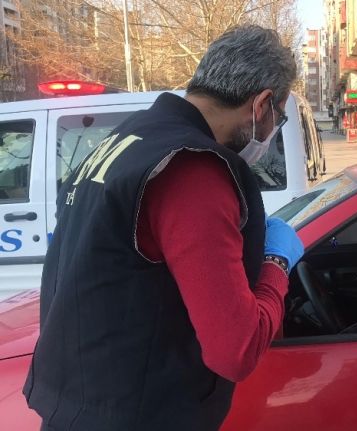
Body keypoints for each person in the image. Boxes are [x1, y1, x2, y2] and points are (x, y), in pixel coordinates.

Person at [24, 25, 303, 431]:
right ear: (261, 105)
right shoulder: (191, 170)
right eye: (277, 117)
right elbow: (236, 350)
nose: (270, 130)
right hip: (142, 414)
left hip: (81, 406)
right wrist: (276, 264)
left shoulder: (126, 138)